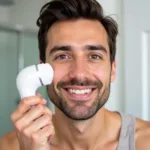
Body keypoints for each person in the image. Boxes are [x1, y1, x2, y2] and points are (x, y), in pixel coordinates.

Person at [0, 0, 150, 149]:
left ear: (113, 70)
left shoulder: (146, 141)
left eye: (94, 56)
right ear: (42, 69)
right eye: (63, 56)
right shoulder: (9, 146)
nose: (79, 74)